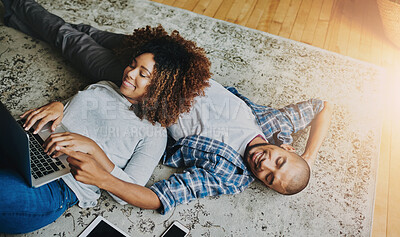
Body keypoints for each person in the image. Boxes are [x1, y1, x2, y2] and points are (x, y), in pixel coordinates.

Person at [1, 0, 333, 221]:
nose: (266, 165)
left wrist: (103, 175)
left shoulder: (229, 176)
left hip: (141, 88)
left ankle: (15, 7)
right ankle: (17, 16)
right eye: (280, 161)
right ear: (287, 148)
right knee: (88, 33)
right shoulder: (276, 123)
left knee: (66, 39)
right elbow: (321, 107)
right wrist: (311, 158)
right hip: (165, 61)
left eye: (270, 178)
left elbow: (161, 197)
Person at [0, 0, 211, 234]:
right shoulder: (104, 87)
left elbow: (128, 190)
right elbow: (73, 111)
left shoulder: (154, 134)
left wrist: (94, 150)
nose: (130, 73)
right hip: (30, 144)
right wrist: (58, 105)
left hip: (59, 186)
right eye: (132, 64)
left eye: (142, 74)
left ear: (161, 88)